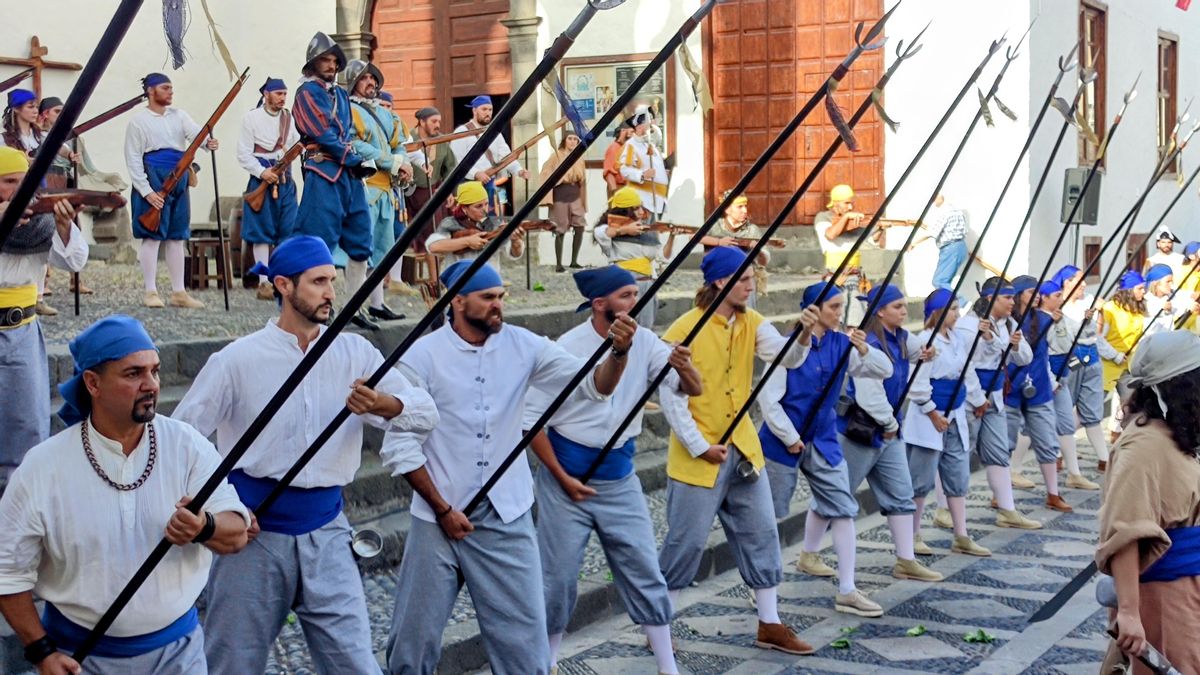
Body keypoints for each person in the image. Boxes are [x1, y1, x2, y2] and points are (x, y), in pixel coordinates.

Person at [172, 235, 438, 674]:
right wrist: (220, 509)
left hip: (328, 531)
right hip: (253, 536)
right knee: (232, 664)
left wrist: (381, 405)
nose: (331, 292)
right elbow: (183, 442)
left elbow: (423, 411)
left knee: (355, 665)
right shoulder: (236, 360)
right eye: (318, 282)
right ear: (283, 285)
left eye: (332, 281)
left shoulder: (353, 352)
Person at [379, 259, 635, 675]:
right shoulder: (420, 356)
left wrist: (618, 353)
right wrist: (442, 509)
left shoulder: (524, 344)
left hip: (506, 512)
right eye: (488, 298)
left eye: (501, 296)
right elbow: (401, 445)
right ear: (457, 301)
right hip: (435, 514)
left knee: (523, 643)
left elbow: (594, 386)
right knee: (412, 642)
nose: (498, 305)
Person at [0, 315, 249, 673]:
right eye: (133, 374)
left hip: (177, 656)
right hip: (82, 658)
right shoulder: (44, 467)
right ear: (92, 383)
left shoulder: (186, 445)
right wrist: (41, 652)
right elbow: (7, 571)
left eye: (155, 371)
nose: (151, 385)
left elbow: (237, 532)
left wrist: (204, 527)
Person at [524, 266, 701, 674]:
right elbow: (531, 422)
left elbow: (691, 389)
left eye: (637, 294)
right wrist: (561, 476)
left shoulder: (649, 342)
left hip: (619, 475)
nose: (635, 303)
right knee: (559, 577)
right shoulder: (566, 347)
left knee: (643, 566)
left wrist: (685, 365)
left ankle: (667, 665)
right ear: (600, 304)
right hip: (566, 477)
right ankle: (547, 662)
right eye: (625, 295)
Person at [658, 247, 818, 655]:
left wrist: (801, 334)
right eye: (744, 280)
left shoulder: (752, 322)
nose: (752, 286)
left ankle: (770, 622)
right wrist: (700, 446)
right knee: (686, 543)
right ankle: (658, 626)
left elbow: (788, 359)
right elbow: (671, 398)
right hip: (698, 453)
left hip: (744, 449)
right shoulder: (683, 329)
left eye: (751, 279)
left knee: (762, 533)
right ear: (720, 282)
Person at [759, 281, 891, 617]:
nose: (840, 313)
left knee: (843, 508)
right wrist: (788, 436)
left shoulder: (843, 345)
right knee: (768, 515)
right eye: (834, 307)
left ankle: (847, 589)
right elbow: (769, 401)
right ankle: (761, 587)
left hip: (823, 438)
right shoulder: (787, 347)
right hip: (781, 441)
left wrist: (864, 349)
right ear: (814, 310)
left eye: (841, 306)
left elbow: (883, 370)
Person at [1096, 330, 1200, 675]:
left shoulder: (1175, 432)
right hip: (1165, 594)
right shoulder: (1142, 446)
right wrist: (1128, 612)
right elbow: (1127, 532)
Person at [835, 284, 945, 580]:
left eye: (903, 305)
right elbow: (869, 395)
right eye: (897, 306)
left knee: (901, 493)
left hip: (888, 430)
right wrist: (891, 425)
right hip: (862, 430)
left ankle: (905, 559)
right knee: (837, 493)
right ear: (880, 311)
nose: (904, 310)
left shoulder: (900, 336)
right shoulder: (868, 342)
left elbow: (915, 353)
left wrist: (928, 353)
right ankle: (808, 553)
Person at [0, 147, 85, 486]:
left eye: (24, 182)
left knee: (28, 429)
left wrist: (64, 226)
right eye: (8, 182)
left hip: (22, 329)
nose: (18, 190)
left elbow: (74, 261)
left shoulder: (40, 223)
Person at [291, 32, 378, 331]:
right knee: (318, 241)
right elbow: (322, 133)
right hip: (323, 172)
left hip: (348, 175)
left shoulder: (340, 94)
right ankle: (312, 305)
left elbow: (346, 131)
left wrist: (355, 157)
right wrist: (351, 157)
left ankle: (354, 306)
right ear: (313, 64)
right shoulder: (306, 94)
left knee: (361, 238)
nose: (330, 65)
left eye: (333, 60)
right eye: (324, 60)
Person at [905, 288, 994, 557]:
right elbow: (918, 384)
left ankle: (961, 534)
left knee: (957, 474)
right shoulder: (925, 341)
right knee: (921, 478)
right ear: (938, 312)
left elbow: (967, 370)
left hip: (955, 413)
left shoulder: (956, 338)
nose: (957, 314)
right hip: (929, 416)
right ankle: (912, 535)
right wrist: (932, 413)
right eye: (953, 309)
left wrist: (978, 399)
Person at [953, 277, 1042, 529]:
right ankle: (944, 508)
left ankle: (1007, 509)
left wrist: (1010, 345)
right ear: (990, 299)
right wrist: (977, 399)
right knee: (958, 454)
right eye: (1007, 298)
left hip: (995, 395)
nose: (1012, 303)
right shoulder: (968, 326)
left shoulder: (1010, 323)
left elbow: (1024, 357)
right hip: (971, 397)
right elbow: (964, 365)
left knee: (999, 452)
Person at [124, 72, 216, 310]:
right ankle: (150, 291)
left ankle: (179, 292)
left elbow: (197, 135)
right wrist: (146, 191)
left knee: (177, 236)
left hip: (179, 173)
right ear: (151, 91)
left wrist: (208, 143)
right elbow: (133, 159)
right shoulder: (138, 121)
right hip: (153, 175)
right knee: (152, 236)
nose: (170, 92)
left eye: (171, 88)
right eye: (165, 88)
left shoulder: (179, 116)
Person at [1001, 277, 1073, 513]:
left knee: (1046, 440)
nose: (1038, 296)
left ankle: (1053, 493)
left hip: (1039, 386)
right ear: (1021, 294)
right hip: (1011, 387)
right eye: (1032, 292)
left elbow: (1053, 350)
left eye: (1039, 292)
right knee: (1005, 442)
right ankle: (1000, 493)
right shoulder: (1006, 323)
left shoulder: (1044, 319)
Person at [346, 59, 408, 323]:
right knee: (361, 250)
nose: (370, 83)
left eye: (372, 79)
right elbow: (353, 143)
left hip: (387, 192)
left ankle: (376, 304)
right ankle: (352, 306)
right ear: (353, 83)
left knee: (384, 251)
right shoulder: (349, 111)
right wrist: (391, 161)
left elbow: (400, 142)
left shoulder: (386, 114)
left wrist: (402, 163)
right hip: (365, 188)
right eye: (363, 79)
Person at [1031, 275, 1101, 490]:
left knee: (1066, 424)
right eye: (1057, 296)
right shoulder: (1038, 320)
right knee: (1028, 428)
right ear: (1044, 298)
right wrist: (1051, 380)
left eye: (1061, 295)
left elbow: (1079, 335)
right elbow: (1043, 350)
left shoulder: (1060, 317)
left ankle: (1074, 473)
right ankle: (1014, 469)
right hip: (1047, 374)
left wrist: (1087, 321)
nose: (1061, 299)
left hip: (1063, 372)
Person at [237, 77, 302, 301]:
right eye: (278, 93)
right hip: (261, 180)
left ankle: (281, 279)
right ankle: (264, 282)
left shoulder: (288, 118)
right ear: (266, 94)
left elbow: (295, 145)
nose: (283, 98)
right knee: (261, 233)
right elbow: (244, 154)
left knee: (288, 231)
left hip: (285, 179)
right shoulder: (251, 118)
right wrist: (261, 172)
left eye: (285, 93)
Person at [1056, 264, 1114, 474]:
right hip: (1069, 358)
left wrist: (1097, 315)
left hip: (1092, 357)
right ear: (1067, 283)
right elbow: (1062, 334)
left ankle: (1104, 458)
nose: (1084, 285)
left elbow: (1098, 334)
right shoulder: (1058, 305)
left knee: (1092, 411)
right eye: (1078, 281)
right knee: (1063, 407)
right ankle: (1057, 454)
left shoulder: (1090, 301)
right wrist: (1084, 320)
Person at [593, 186, 662, 329]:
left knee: (645, 331)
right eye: (636, 208)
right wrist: (624, 230)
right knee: (624, 328)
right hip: (624, 284)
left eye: (640, 207)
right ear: (625, 211)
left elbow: (658, 255)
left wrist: (672, 235)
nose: (641, 212)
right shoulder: (609, 229)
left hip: (647, 283)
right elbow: (601, 233)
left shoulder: (645, 228)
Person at [449, 95, 528, 214]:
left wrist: (519, 170)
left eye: (490, 110)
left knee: (490, 219)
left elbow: (505, 156)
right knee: (471, 219)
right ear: (474, 110)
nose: (488, 113)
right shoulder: (461, 132)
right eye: (484, 109)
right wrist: (476, 173)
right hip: (468, 183)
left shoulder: (495, 132)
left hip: (489, 183)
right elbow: (456, 160)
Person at [426, 180, 523, 273]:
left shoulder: (495, 223)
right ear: (464, 208)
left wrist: (516, 242)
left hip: (489, 281)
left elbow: (514, 254)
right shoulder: (450, 223)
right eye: (478, 206)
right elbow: (434, 247)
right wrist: (468, 241)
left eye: (486, 204)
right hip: (459, 281)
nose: (485, 210)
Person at [697, 191, 771, 308]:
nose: (745, 211)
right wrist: (719, 242)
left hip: (744, 280)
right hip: (718, 279)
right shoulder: (715, 226)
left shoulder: (752, 230)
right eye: (739, 207)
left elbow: (764, 261)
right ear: (727, 209)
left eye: (745, 206)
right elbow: (694, 237)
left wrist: (759, 250)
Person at [1099, 270, 1147, 437]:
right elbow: (1098, 338)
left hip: (1127, 367)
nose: (1144, 291)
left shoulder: (1138, 309)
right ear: (1129, 290)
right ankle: (1061, 447)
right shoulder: (1109, 309)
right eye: (1140, 288)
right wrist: (1115, 355)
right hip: (1105, 366)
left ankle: (1120, 438)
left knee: (1131, 405)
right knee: (1091, 410)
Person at [405, 106, 457, 253]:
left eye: (439, 121)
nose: (438, 125)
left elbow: (451, 167)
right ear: (422, 122)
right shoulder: (408, 138)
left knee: (435, 233)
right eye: (434, 121)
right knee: (413, 235)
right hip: (410, 195)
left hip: (433, 193)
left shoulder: (442, 141)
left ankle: (435, 272)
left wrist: (448, 191)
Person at [813, 183, 868, 323]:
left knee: (855, 322)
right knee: (834, 321)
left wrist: (881, 228)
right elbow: (830, 235)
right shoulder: (823, 217)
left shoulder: (852, 222)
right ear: (835, 203)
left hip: (854, 277)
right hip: (835, 276)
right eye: (846, 203)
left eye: (851, 204)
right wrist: (846, 217)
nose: (850, 207)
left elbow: (873, 239)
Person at [538, 130, 587, 272]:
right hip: (560, 194)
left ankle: (574, 261)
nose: (572, 142)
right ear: (565, 140)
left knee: (580, 226)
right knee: (560, 228)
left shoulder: (579, 157)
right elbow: (545, 172)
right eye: (570, 139)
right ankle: (559, 264)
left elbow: (582, 178)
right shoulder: (556, 156)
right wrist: (557, 177)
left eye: (575, 139)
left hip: (575, 194)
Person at [906, 195, 968, 291]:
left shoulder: (943, 212)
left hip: (950, 248)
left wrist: (914, 243)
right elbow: (965, 230)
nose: (933, 202)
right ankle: (950, 305)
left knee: (939, 281)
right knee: (946, 282)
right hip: (961, 247)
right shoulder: (957, 211)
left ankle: (962, 303)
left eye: (933, 198)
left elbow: (932, 232)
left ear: (940, 198)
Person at [617, 105, 668, 220]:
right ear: (639, 126)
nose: (652, 124)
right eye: (649, 121)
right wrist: (642, 175)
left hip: (657, 199)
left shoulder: (649, 144)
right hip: (644, 201)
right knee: (645, 234)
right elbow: (624, 169)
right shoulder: (631, 145)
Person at [1143, 263, 1177, 335]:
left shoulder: (1172, 296)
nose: (1171, 285)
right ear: (1156, 282)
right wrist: (1162, 308)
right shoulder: (1145, 300)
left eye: (1171, 281)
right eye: (1168, 282)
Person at [602, 126, 632, 196]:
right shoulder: (614, 148)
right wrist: (615, 193)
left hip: (629, 188)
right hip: (618, 188)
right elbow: (609, 174)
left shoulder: (628, 148)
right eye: (631, 132)